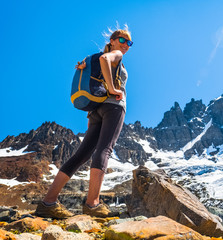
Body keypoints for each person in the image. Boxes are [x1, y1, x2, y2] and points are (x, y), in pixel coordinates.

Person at [35, 27, 133, 219]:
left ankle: (48, 202)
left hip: (96, 110)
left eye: (129, 43)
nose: (126, 45)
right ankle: (93, 204)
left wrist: (91, 116)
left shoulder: (94, 58)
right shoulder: (114, 55)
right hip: (113, 107)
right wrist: (113, 89)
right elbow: (106, 60)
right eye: (122, 40)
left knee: (81, 155)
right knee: (105, 149)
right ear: (113, 41)